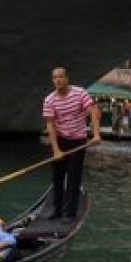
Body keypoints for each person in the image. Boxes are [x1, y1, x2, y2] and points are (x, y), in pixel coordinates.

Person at [43, 66, 101, 220]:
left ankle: (70, 213)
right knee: (57, 178)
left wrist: (96, 134)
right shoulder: (49, 100)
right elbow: (50, 125)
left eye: (60, 77)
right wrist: (56, 150)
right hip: (60, 139)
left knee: (73, 178)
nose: (58, 80)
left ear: (67, 78)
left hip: (78, 141)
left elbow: (93, 112)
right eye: (55, 78)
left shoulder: (80, 93)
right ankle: (57, 210)